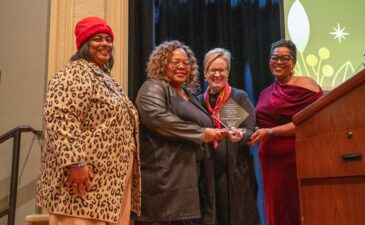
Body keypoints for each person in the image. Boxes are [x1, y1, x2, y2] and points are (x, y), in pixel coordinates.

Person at [36, 16, 141, 225]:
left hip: (108, 186)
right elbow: (60, 116)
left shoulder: (103, 76)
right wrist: (76, 162)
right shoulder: (75, 72)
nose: (105, 44)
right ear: (84, 44)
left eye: (108, 39)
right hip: (85, 184)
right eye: (97, 39)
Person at [134, 41, 225, 225]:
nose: (182, 66)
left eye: (186, 62)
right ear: (161, 63)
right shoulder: (153, 87)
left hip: (186, 182)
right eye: (175, 62)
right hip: (164, 186)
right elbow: (159, 119)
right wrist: (200, 133)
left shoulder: (187, 93)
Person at [248, 39, 323, 225]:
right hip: (271, 162)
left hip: (294, 158)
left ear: (294, 62)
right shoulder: (266, 92)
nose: (278, 62)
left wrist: (271, 132)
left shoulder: (305, 84)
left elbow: (309, 122)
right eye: (274, 57)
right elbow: (259, 124)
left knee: (294, 207)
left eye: (284, 58)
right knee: (277, 208)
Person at [198, 48, 259, 225]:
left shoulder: (239, 97)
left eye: (222, 70)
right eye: (212, 70)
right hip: (207, 173)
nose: (217, 74)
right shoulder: (199, 101)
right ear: (205, 73)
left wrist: (241, 135)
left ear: (228, 72)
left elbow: (250, 131)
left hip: (236, 172)